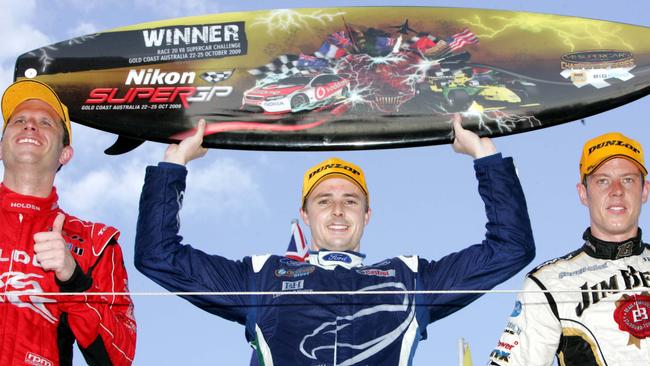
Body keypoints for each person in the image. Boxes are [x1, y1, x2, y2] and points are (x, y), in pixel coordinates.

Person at [135, 116, 535, 365]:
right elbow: (158, 255)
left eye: (351, 201)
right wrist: (175, 164)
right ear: (306, 216)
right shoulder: (264, 277)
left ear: (367, 214)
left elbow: (510, 248)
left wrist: (486, 158)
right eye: (324, 201)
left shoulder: (410, 279)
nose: (339, 210)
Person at [0, 80, 136, 365]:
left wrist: (73, 278)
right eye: (19, 120)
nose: (29, 126)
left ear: (65, 154)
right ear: (1, 147)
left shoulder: (94, 241)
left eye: (45, 122)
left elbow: (118, 358)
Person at [489, 132, 650, 366]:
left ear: (644, 190)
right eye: (602, 180)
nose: (616, 190)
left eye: (628, 180)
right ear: (583, 193)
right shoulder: (549, 282)